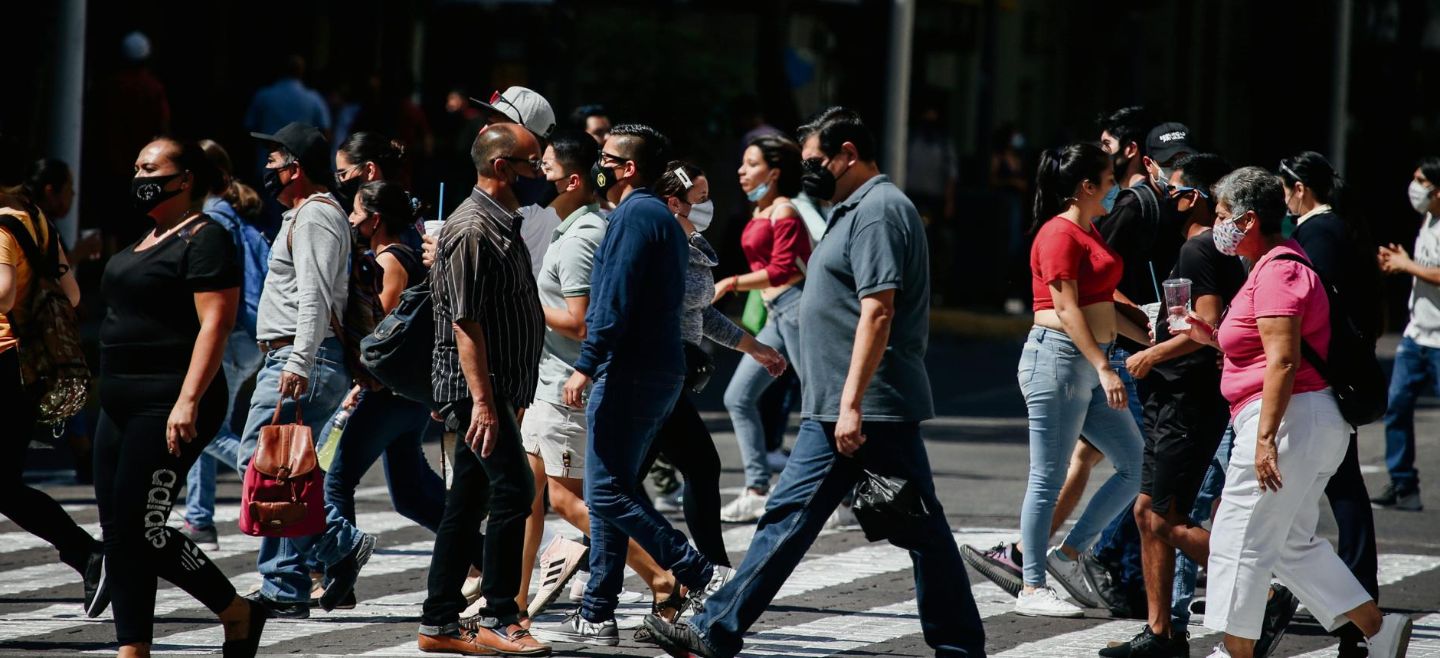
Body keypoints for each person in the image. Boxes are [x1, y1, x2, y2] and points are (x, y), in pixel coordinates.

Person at [644, 106, 986, 658]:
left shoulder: (877, 212)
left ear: (847, 154)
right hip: (845, 403)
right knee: (804, 519)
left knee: (914, 528)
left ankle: (960, 646)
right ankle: (715, 628)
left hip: (866, 405)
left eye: (815, 160)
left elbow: (878, 310)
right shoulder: (854, 208)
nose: (809, 170)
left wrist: (850, 404)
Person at [1179, 166, 1411, 658]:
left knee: (1240, 539)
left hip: (1286, 420)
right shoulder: (1268, 266)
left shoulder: (1280, 269)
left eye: (1221, 215)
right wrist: (1207, 334)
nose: (1214, 223)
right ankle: (1377, 629)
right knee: (1287, 544)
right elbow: (1259, 348)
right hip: (1299, 421)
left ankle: (1234, 651)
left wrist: (1264, 440)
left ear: (1246, 221)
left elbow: (1284, 359)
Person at [542, 123, 727, 645]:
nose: (597, 163)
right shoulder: (660, 217)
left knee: (605, 491)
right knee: (612, 489)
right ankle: (598, 610)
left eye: (606, 156)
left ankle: (699, 573)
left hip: (630, 369)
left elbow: (612, 301)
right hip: (658, 367)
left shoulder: (630, 216)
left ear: (626, 169)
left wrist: (587, 364)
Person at [94, 137, 266, 657]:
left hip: (168, 400)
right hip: (119, 402)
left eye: (151, 167)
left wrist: (188, 401)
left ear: (184, 178)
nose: (139, 175)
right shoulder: (145, 238)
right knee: (119, 534)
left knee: (142, 528)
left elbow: (217, 322)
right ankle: (134, 648)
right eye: (136, 166)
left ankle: (236, 609)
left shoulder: (205, 237)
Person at [516, 132, 686, 627]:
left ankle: (670, 575)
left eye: (544, 168)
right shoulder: (590, 225)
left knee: (585, 497)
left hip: (575, 380)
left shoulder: (606, 227)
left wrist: (583, 363)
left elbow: (592, 317)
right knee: (532, 494)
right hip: (555, 378)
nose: (535, 176)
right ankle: (519, 604)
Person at [632, 161, 789, 634]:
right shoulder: (660, 245)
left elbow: (701, 317)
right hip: (652, 375)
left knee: (621, 482)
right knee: (675, 471)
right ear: (674, 202)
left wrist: (755, 347)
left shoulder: (692, 245)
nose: (709, 203)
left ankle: (671, 575)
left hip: (671, 374)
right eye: (700, 195)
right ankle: (703, 573)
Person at [996, 143, 1147, 619]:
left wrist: (1151, 333)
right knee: (1047, 475)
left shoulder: (1090, 232)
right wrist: (1104, 369)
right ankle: (1032, 586)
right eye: (1108, 178)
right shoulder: (1058, 234)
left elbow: (1100, 305)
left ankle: (1067, 556)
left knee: (1136, 464)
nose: (1114, 185)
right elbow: (1065, 309)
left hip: (1088, 359)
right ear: (1086, 186)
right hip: (1058, 362)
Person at [1100, 153, 1242, 658]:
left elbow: (1208, 328)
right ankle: (1161, 634)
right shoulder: (1193, 247)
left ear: (1192, 198)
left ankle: (1266, 589)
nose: (1162, 193)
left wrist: (1151, 353)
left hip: (1187, 396)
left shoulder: (1202, 250)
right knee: (1147, 513)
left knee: (1166, 518)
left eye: (1171, 188)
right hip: (1173, 395)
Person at [417, 122, 549, 656]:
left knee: (467, 500)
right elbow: (464, 324)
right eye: (532, 162)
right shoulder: (472, 228)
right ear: (502, 167)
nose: (540, 173)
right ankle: (500, 614)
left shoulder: (502, 222)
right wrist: (485, 405)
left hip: (496, 391)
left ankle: (439, 622)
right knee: (516, 489)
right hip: (479, 391)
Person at [239, 122, 372, 620]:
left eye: (273, 162)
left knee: (261, 467)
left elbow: (316, 295)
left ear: (295, 168)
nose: (267, 171)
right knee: (282, 472)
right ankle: (286, 586)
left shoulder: (315, 216)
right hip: (302, 356)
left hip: (303, 358)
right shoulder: (309, 214)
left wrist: (296, 359)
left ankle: (339, 541)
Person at [1281, 150, 1383, 657]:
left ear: (1300, 189)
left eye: (1284, 187)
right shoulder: (1339, 229)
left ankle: (1351, 599)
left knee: (1329, 489)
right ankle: (1351, 595)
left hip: (1322, 378)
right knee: (1338, 486)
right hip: (1337, 374)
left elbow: (1307, 308)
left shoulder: (1315, 235)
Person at [0, 140, 105, 618]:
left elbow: (2, 295)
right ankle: (85, 553)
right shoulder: (35, 219)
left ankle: (86, 552)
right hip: (27, 369)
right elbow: (73, 292)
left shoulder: (2, 223)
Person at [324, 179, 442, 533]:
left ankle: (340, 579)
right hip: (407, 396)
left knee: (336, 480)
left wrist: (360, 379)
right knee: (409, 495)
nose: (349, 219)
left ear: (374, 220)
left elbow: (383, 334)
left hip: (389, 394)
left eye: (356, 213)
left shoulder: (388, 261)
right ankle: (485, 555)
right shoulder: (402, 255)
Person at [180, 140, 269, 552]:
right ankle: (199, 519)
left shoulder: (212, 216)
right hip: (250, 332)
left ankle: (263, 473)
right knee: (205, 421)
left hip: (232, 333)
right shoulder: (238, 216)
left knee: (202, 425)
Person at [718, 135, 810, 523]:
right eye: (742, 163)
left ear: (773, 172)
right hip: (777, 314)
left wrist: (732, 283)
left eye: (751, 163)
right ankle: (757, 488)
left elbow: (784, 269)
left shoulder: (785, 211)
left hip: (798, 309)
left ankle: (849, 490)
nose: (742, 170)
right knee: (738, 397)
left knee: (822, 404)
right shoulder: (762, 211)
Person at [1376, 156, 1440, 513]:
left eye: (1421, 180)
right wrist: (1402, 262)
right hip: (1417, 335)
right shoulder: (1428, 220)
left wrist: (1406, 265)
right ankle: (1403, 485)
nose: (1414, 187)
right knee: (1397, 404)